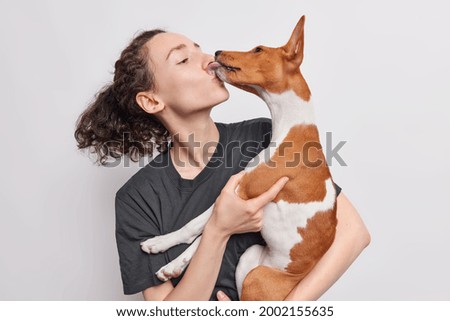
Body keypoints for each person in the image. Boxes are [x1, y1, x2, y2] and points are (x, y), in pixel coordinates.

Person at [74, 29, 370, 301]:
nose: (206, 60)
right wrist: (218, 228)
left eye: (199, 48)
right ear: (151, 101)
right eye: (183, 59)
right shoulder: (137, 198)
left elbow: (353, 233)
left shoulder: (264, 136)